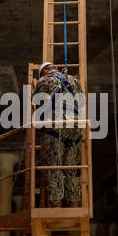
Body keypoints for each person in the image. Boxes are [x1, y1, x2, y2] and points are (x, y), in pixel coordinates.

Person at [34, 61, 82, 208]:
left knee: (53, 166)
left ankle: (56, 204)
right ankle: (73, 203)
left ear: (44, 72)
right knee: (70, 168)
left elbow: (36, 101)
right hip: (75, 129)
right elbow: (81, 101)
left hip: (55, 127)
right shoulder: (74, 79)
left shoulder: (44, 80)